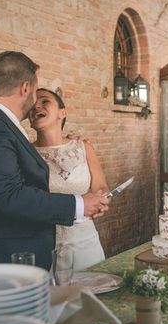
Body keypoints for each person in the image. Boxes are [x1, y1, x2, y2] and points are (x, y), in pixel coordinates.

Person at [0, 51, 109, 270]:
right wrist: (79, 204)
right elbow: (11, 195)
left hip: (33, 251)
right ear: (25, 88)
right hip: (0, 262)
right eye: (36, 93)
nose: (36, 102)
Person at [31, 89, 109, 271]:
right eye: (32, 104)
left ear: (62, 113)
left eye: (45, 101)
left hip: (84, 243)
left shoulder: (83, 147)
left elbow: (102, 187)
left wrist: (102, 201)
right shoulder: (25, 154)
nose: (36, 106)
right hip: (43, 249)